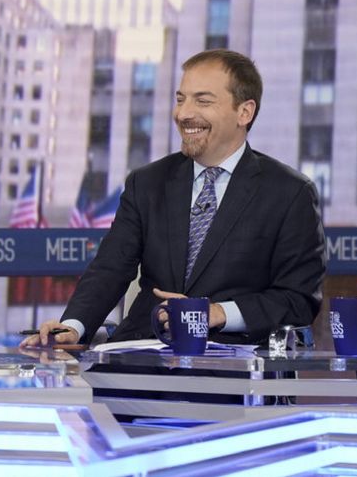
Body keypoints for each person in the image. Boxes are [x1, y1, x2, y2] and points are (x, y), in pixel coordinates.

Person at [24, 49, 325, 348]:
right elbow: (110, 269)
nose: (183, 114)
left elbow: (297, 300)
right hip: (144, 357)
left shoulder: (289, 193)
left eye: (202, 101)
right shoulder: (147, 183)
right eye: (181, 99)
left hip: (233, 368)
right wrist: (74, 326)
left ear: (244, 112)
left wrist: (219, 313)